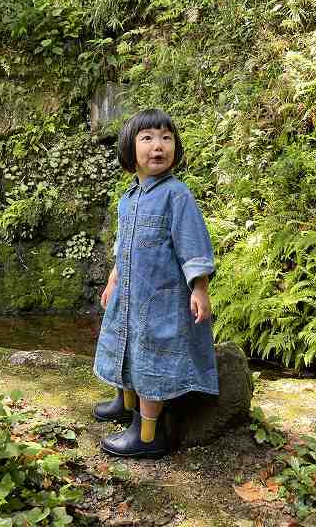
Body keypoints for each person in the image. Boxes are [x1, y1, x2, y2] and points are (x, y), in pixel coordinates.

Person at [93, 108, 219, 459]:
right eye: (147, 138)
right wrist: (113, 277)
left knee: (151, 360)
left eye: (166, 138)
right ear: (129, 150)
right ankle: (126, 402)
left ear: (175, 147)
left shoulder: (176, 195)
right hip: (129, 294)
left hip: (160, 300)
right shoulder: (128, 198)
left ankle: (148, 434)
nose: (157, 146)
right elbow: (123, 246)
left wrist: (199, 287)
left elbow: (192, 245)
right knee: (122, 343)